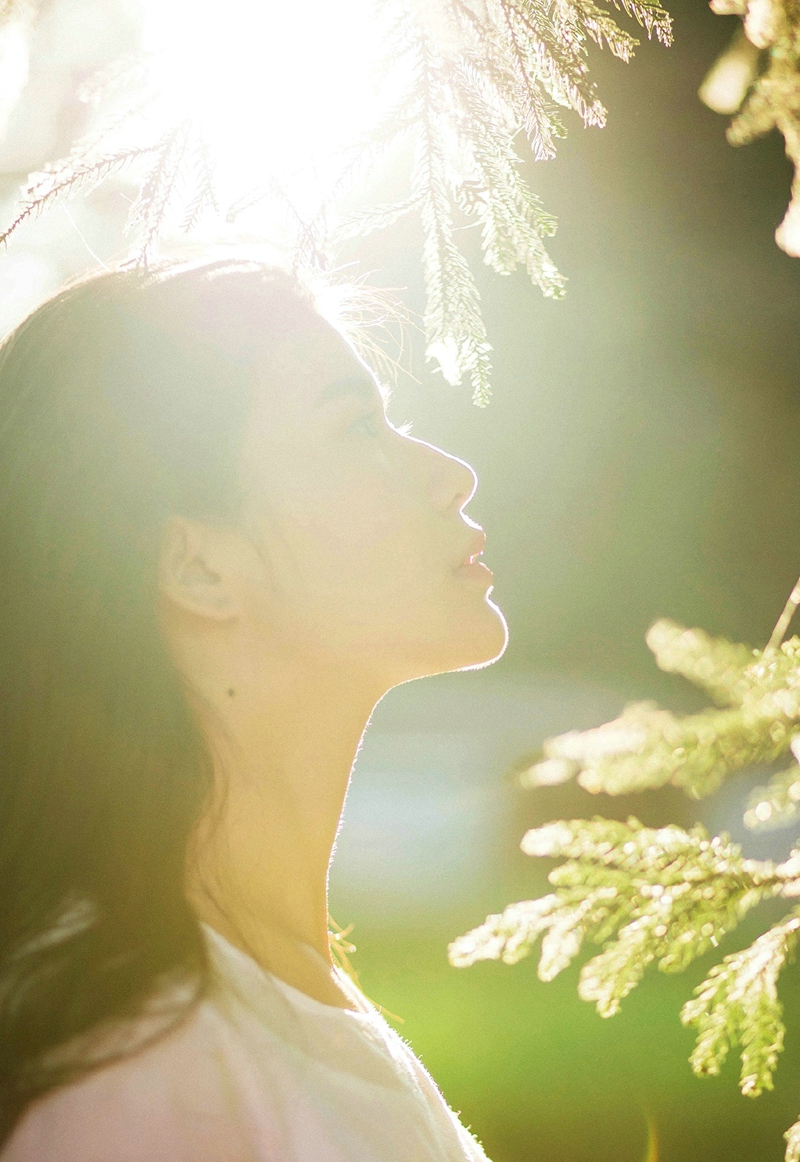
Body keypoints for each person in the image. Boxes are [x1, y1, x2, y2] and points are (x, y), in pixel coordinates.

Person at [0, 255, 508, 1161]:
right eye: (357, 428)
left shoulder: (289, 996)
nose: (452, 474)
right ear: (199, 568)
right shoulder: (131, 1071)